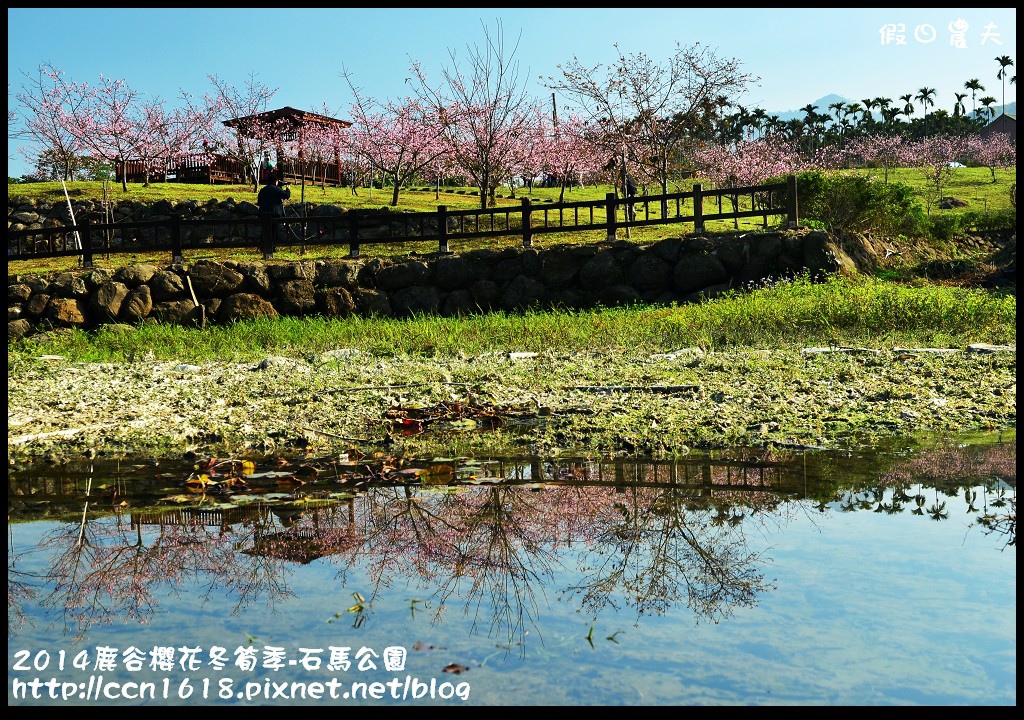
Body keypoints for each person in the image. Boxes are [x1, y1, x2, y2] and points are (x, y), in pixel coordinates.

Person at [257, 175, 291, 244]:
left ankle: (263, 245)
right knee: (274, 231)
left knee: (265, 231)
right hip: (274, 214)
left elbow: (259, 202)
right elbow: (286, 196)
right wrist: (288, 189)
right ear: (276, 181)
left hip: (263, 213)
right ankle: (272, 246)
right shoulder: (276, 189)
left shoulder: (262, 190)